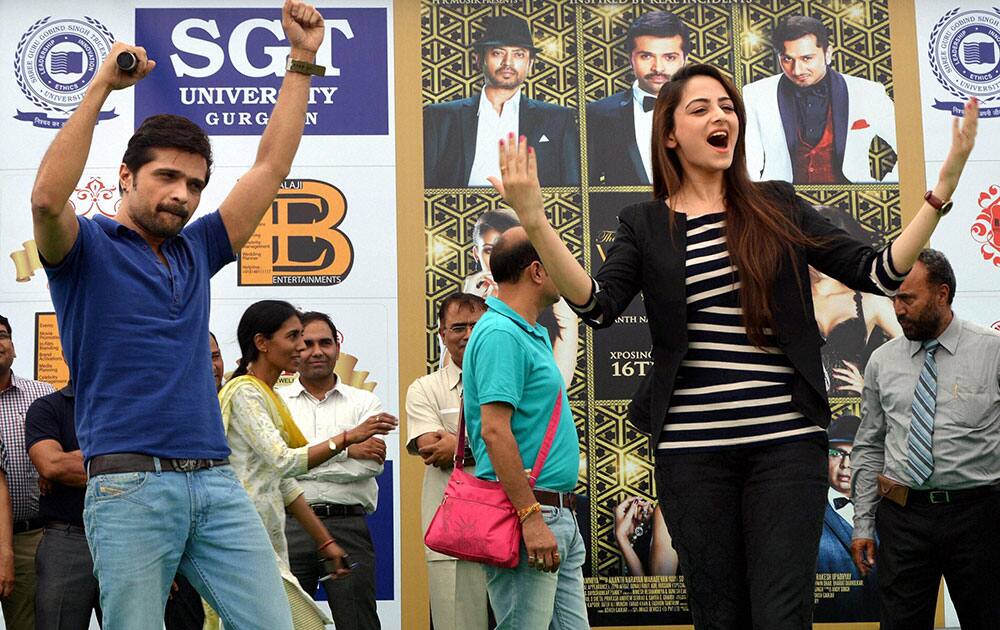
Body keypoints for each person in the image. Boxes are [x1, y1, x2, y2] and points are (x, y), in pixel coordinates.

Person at [488, 61, 978, 628]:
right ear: (669, 133)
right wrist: (533, 219)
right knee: (718, 615)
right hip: (693, 455)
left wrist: (941, 191)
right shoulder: (644, 223)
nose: (721, 117)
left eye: (727, 107)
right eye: (701, 109)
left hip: (786, 448)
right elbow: (596, 306)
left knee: (781, 614)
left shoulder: (777, 205)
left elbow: (879, 271)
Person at [29, 2, 330, 626]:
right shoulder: (82, 249)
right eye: (166, 176)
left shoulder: (200, 247)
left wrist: (301, 61)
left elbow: (271, 167)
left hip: (217, 485)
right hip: (128, 487)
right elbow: (45, 198)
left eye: (194, 184)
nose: (182, 195)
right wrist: (101, 86)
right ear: (126, 175)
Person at [219, 301, 395, 629]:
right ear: (262, 343)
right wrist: (347, 441)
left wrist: (325, 539)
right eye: (296, 337)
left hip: (314, 527)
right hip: (252, 534)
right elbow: (285, 461)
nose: (303, 347)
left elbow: (286, 478)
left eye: (317, 340)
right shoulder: (245, 393)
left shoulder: (268, 396)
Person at [851, 250, 1000, 629]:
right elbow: (869, 446)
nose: (898, 309)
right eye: (894, 299)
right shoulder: (882, 362)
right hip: (903, 518)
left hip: (980, 516)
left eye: (907, 298)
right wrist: (864, 523)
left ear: (942, 294)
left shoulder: (992, 352)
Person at [462, 228, 587, 629]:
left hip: (553, 512)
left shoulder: (524, 330)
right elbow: (494, 431)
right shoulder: (501, 333)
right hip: (528, 514)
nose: (567, 270)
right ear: (537, 271)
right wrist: (530, 517)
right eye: (556, 259)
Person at [281, 311, 397, 630]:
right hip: (289, 526)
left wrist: (304, 457)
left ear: (337, 346)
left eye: (325, 343)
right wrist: (346, 447)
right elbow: (277, 466)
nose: (317, 351)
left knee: (357, 623)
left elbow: (367, 466)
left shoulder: (364, 403)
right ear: (294, 348)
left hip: (347, 525)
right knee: (286, 623)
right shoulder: (277, 403)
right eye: (307, 344)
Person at [405, 292, 489, 630]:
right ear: (441, 334)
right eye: (458, 327)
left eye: (476, 326)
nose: (468, 334)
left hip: (516, 521)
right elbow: (433, 451)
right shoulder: (424, 389)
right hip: (454, 530)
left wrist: (460, 444)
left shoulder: (517, 380)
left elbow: (527, 443)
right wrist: (492, 442)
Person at [423, 15, 579, 188]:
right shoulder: (440, 117)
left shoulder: (558, 118)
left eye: (519, 54)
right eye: (498, 53)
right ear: (478, 59)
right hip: (459, 212)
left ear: (530, 64)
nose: (508, 63)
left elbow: (571, 188)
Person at [742, 15, 898, 184]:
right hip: (781, 202)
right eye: (787, 59)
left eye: (807, 58)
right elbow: (749, 162)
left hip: (853, 202)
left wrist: (884, 189)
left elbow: (910, 145)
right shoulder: (755, 94)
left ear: (827, 53)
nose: (797, 70)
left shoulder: (868, 92)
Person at [463, 209, 578, 388]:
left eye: (506, 252)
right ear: (476, 254)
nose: (496, 260)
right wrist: (468, 306)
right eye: (488, 250)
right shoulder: (497, 329)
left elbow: (556, 392)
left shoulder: (546, 319)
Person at [25, 382, 102, 629]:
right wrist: (119, 462)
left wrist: (75, 459)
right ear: (66, 351)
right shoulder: (47, 408)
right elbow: (52, 465)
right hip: (67, 540)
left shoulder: (130, 406)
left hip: (127, 537)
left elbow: (149, 467)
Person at [587, 11, 690, 185]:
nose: (658, 67)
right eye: (646, 56)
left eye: (669, 57)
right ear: (630, 60)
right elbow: (590, 185)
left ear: (685, 60)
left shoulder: (709, 111)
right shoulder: (598, 114)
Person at [810, 205, 901, 397]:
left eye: (832, 251)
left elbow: (915, 350)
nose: (823, 259)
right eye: (815, 249)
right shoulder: (789, 295)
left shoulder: (871, 300)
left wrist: (871, 389)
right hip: (800, 414)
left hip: (854, 414)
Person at [0, 314, 54, 629]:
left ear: (14, 347)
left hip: (32, 537)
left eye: (2, 335)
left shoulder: (42, 395)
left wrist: (53, 467)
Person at [814, 414, 878, 621]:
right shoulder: (810, 513)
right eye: (837, 453)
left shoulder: (889, 511)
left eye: (855, 454)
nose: (846, 464)